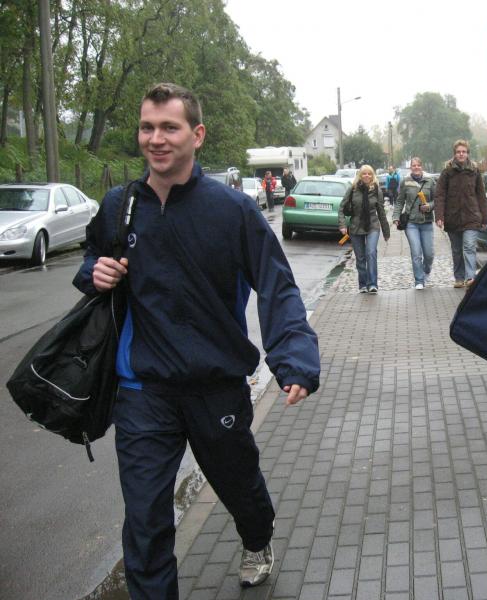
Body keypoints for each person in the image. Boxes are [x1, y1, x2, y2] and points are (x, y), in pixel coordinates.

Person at [73, 83, 321, 598]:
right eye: (147, 127)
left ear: (197, 134)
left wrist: (294, 356)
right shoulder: (120, 206)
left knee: (240, 487)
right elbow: (91, 259)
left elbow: (276, 285)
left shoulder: (232, 210)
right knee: (145, 521)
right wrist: (92, 272)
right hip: (143, 390)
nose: (156, 138)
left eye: (169, 127)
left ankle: (257, 537)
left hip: (216, 385)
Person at [434, 139, 487, 288]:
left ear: (468, 153)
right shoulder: (447, 172)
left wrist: (484, 218)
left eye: (464, 152)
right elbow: (440, 195)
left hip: (472, 216)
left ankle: (470, 278)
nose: (461, 154)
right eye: (458, 152)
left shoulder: (474, 171)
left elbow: (481, 195)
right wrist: (439, 216)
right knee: (457, 250)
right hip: (453, 217)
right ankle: (459, 277)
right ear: (454, 154)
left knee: (469, 246)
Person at [338, 164, 390, 294]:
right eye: (364, 173)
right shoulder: (353, 189)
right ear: (360, 175)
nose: (367, 176)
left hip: (372, 225)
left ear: (373, 176)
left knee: (371, 252)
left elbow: (381, 211)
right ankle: (363, 284)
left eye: (369, 173)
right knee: (360, 257)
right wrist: (342, 225)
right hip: (356, 226)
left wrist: (386, 232)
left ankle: (372, 284)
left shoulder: (376, 190)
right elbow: (341, 208)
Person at [392, 157, 435, 289]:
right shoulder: (405, 182)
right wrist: (396, 216)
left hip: (427, 222)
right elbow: (400, 201)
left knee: (429, 254)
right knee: (416, 252)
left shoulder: (430, 181)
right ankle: (419, 280)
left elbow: (437, 200)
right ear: (410, 167)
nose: (416, 167)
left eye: (418, 165)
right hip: (411, 223)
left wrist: (429, 206)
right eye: (413, 165)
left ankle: (426, 270)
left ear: (422, 167)